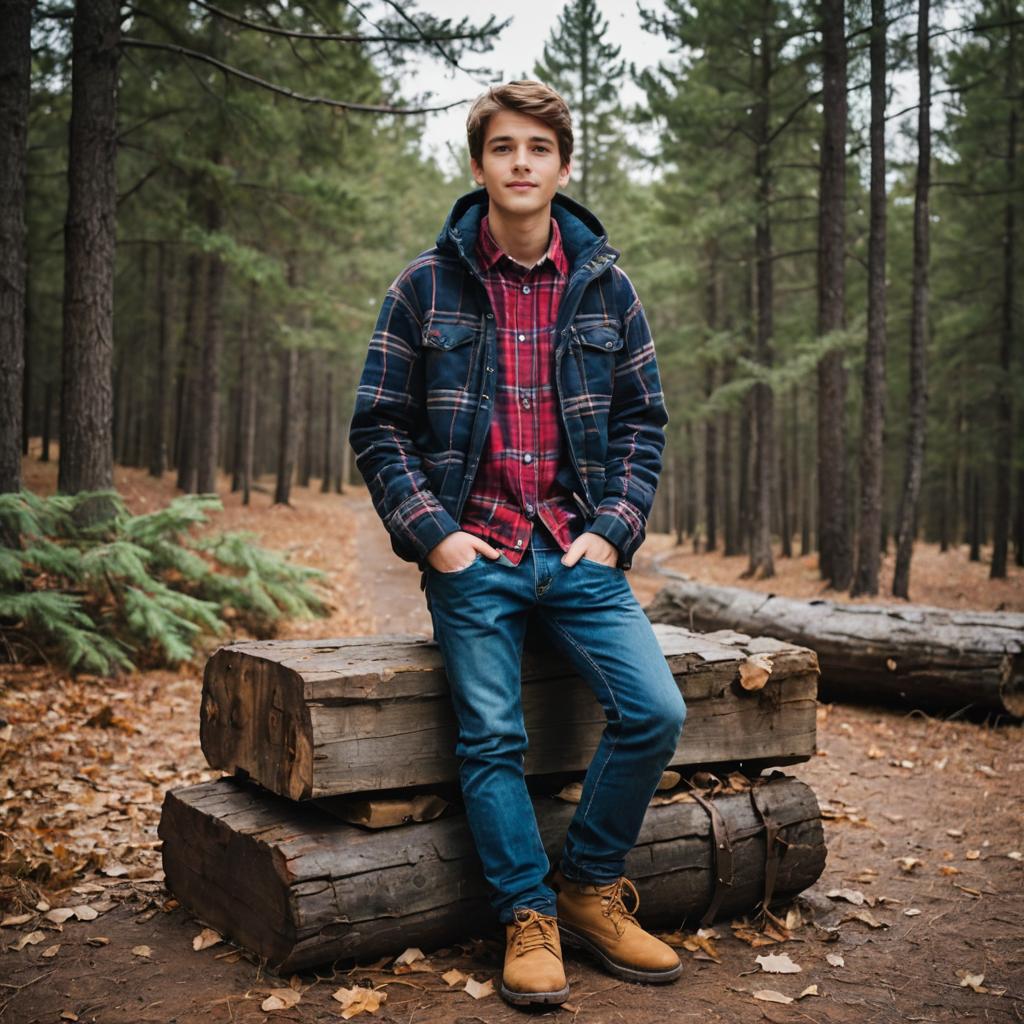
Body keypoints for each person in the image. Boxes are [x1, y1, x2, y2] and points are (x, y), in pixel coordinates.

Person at [349, 80, 687, 1008]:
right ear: (480, 165)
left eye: (540, 149)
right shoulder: (425, 284)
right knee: (493, 735)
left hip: (575, 550)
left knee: (655, 711)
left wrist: (615, 531)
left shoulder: (607, 286)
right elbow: (379, 425)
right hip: (478, 554)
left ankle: (586, 889)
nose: (523, 164)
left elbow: (641, 423)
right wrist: (435, 538)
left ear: (564, 166)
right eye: (505, 148)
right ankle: (526, 917)